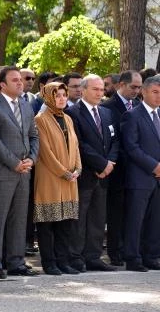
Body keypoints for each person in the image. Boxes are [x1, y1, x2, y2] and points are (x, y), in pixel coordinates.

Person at [0, 66, 39, 279]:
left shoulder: (26, 106)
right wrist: (14, 163)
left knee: (19, 218)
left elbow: (34, 136)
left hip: (24, 171)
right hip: (2, 172)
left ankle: (16, 261)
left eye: (20, 80)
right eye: (14, 80)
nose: (20, 83)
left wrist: (31, 159)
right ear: (2, 84)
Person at [66, 75, 119, 272]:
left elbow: (115, 140)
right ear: (83, 90)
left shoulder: (106, 113)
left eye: (101, 89)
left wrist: (110, 163)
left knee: (98, 217)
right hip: (86, 174)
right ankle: (76, 257)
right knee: (79, 218)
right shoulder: (72, 113)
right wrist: (100, 164)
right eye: (95, 89)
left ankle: (93, 256)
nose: (100, 93)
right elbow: (80, 144)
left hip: (105, 175)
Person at [33, 82, 81, 275]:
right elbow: (45, 151)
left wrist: (77, 168)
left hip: (70, 178)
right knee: (47, 224)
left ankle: (63, 261)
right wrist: (64, 172)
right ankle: (49, 262)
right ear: (48, 97)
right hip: (50, 177)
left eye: (64, 95)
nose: (61, 98)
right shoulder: (40, 119)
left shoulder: (68, 118)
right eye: (57, 95)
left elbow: (75, 147)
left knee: (65, 223)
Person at [101, 70, 142, 266]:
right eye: (133, 87)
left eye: (139, 87)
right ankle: (115, 251)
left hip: (137, 170)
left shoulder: (139, 106)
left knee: (131, 212)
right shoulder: (107, 107)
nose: (136, 91)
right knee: (115, 213)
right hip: (115, 168)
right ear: (121, 85)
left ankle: (129, 249)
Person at [120, 75, 160, 272]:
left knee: (155, 219)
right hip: (140, 177)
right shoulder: (132, 115)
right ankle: (133, 258)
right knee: (136, 219)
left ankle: (151, 256)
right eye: (155, 92)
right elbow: (131, 147)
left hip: (158, 179)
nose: (158, 96)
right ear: (143, 92)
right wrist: (154, 166)